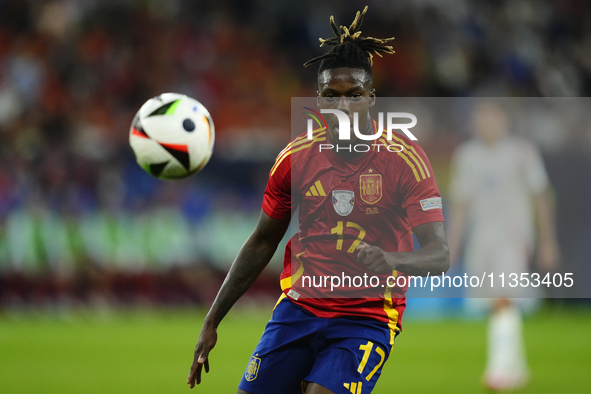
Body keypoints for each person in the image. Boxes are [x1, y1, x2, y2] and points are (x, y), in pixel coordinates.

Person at [187, 7, 449, 394]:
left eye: (354, 96)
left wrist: (393, 260)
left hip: (367, 317)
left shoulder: (404, 160)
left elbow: (438, 255)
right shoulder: (296, 157)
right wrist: (213, 319)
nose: (343, 107)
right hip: (300, 308)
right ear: (319, 100)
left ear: (371, 98)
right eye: (332, 96)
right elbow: (262, 240)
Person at [447, 100, 559, 391]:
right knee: (494, 304)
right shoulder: (467, 155)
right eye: (481, 118)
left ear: (504, 120)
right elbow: (460, 204)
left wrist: (548, 241)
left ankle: (498, 369)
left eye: (493, 118)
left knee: (503, 297)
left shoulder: (522, 152)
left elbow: (540, 196)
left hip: (513, 236)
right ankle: (517, 369)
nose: (487, 124)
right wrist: (453, 244)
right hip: (480, 239)